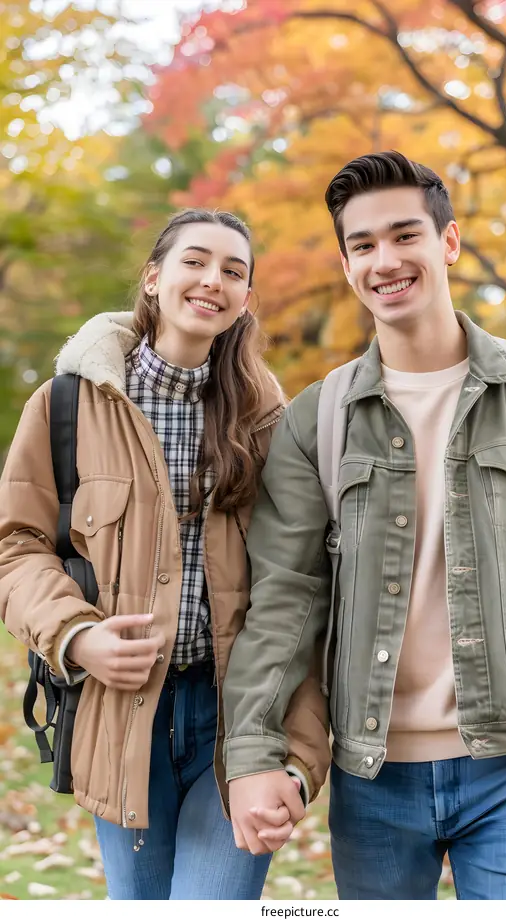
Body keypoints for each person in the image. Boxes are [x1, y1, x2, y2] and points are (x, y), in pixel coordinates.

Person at [223, 152, 506, 900]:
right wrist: (252, 754)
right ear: (346, 263)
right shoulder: (317, 420)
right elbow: (285, 603)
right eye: (363, 246)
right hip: (376, 777)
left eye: (405, 236)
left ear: (448, 242)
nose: (385, 261)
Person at [0, 208, 329, 900]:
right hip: (122, 720)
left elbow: (300, 587)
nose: (214, 280)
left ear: (245, 299)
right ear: (154, 278)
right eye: (195, 261)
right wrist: (76, 635)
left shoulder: (271, 422)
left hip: (237, 723)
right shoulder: (66, 406)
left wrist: (297, 759)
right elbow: (16, 546)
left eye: (234, 272)